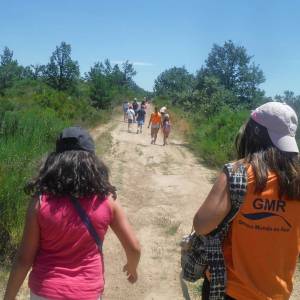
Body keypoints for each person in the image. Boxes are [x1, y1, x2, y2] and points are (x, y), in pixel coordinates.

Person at [4, 127, 141, 300]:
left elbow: (24, 259)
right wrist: (132, 267)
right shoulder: (106, 201)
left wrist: (8, 297)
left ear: (54, 161)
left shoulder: (41, 202)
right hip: (87, 292)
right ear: (92, 161)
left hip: (45, 291)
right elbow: (134, 247)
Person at [193, 102, 300, 300]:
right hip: (277, 292)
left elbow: (201, 225)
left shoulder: (238, 172)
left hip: (229, 289)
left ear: (253, 133)